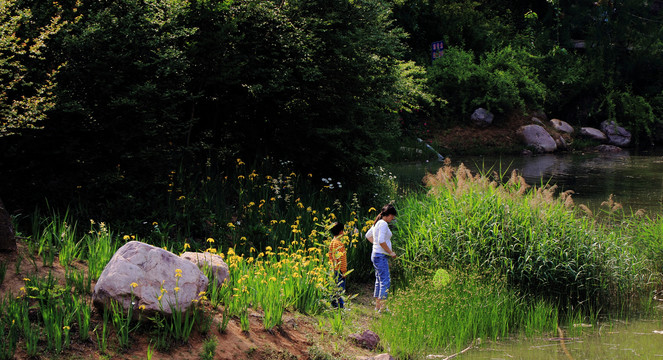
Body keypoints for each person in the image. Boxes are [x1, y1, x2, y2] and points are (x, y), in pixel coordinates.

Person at [365, 204, 397, 313]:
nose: (393, 218)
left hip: (376, 254)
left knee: (379, 280)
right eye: (393, 216)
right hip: (381, 256)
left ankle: (378, 306)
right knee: (385, 281)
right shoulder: (383, 224)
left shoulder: (378, 222)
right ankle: (383, 309)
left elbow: (368, 236)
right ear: (389, 214)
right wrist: (390, 252)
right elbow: (381, 241)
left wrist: (377, 246)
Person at [328, 222, 347, 309]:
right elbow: (342, 260)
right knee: (340, 288)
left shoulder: (332, 242)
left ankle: (333, 304)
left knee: (334, 287)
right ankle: (340, 305)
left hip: (333, 268)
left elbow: (330, 255)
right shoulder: (340, 244)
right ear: (341, 232)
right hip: (339, 270)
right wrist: (344, 271)